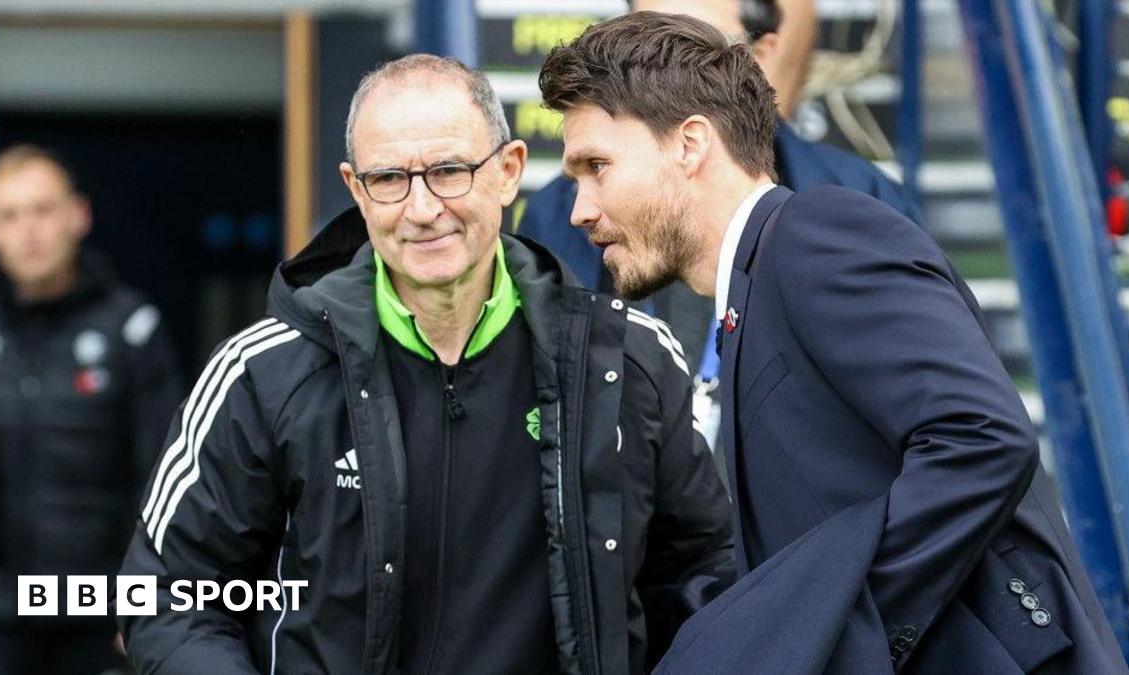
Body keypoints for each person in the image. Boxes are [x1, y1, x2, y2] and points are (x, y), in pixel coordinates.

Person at [540, 12, 1128, 674]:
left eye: (597, 167)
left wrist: (831, 632)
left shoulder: (815, 233)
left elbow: (983, 439)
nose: (579, 209)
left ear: (690, 144)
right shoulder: (756, 286)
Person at [118, 54, 732, 674]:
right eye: (388, 179)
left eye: (448, 171)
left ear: (509, 171)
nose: (421, 208)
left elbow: (710, 579)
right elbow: (164, 596)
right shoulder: (262, 374)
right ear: (356, 190)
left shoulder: (629, 360)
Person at [517, 0, 923, 460]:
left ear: (760, 58)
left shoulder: (864, 204)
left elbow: (950, 433)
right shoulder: (556, 213)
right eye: (643, 42)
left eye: (692, 48)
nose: (658, 67)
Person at [0, 145, 183, 674]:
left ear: (78, 215)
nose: (28, 230)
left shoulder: (132, 329)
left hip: (98, 615)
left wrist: (145, 600)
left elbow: (164, 478)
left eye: (41, 210)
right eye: (9, 215)